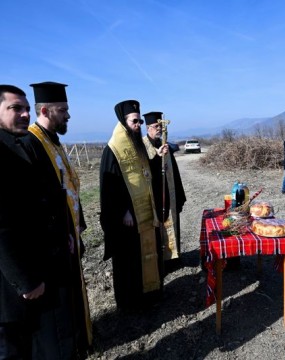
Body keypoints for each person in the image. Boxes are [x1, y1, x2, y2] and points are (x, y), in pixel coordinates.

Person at [1, 83, 91, 359]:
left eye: (26, 109)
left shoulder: (37, 142)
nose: (24, 115)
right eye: (16, 108)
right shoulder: (25, 144)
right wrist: (26, 279)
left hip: (52, 250)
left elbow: (54, 196)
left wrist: (68, 231)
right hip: (23, 277)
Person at [100, 100, 163, 310]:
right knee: (130, 260)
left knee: (148, 253)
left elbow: (146, 174)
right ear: (124, 121)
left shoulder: (137, 143)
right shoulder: (114, 149)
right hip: (128, 216)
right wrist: (123, 210)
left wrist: (157, 158)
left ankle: (151, 292)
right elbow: (109, 186)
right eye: (135, 121)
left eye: (140, 120)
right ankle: (131, 302)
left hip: (146, 210)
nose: (138, 124)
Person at [142, 111, 186, 272]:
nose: (159, 129)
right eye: (156, 126)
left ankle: (173, 258)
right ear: (148, 128)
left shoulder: (165, 144)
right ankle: (160, 259)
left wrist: (179, 194)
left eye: (160, 126)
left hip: (169, 192)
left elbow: (174, 171)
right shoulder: (142, 146)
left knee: (173, 223)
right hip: (154, 193)